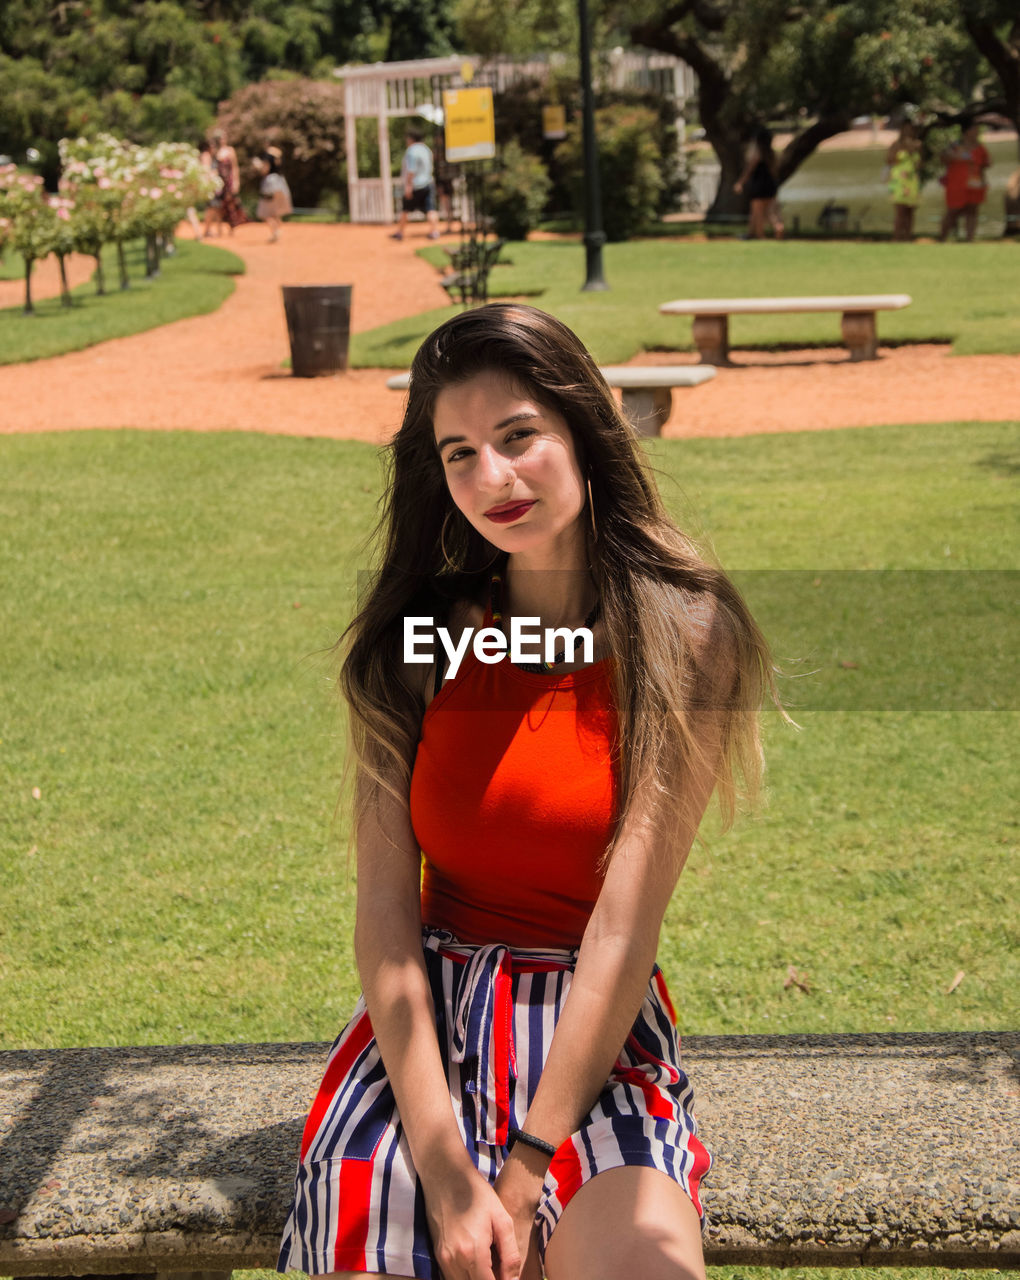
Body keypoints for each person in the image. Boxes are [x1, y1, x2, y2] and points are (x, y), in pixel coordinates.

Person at [276, 304, 780, 1280]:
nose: (491, 479)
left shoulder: (687, 631)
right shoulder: (419, 644)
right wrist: (445, 1166)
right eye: (459, 453)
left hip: (594, 1046)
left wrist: (522, 1166)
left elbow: (624, 931)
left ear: (584, 431)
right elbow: (384, 918)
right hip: (426, 1042)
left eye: (518, 437)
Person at [939, 123, 990, 242]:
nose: (977, 132)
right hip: (956, 184)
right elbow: (943, 158)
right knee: (953, 211)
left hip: (975, 184)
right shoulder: (955, 146)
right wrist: (954, 156)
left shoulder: (980, 147)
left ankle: (969, 239)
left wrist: (983, 181)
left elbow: (985, 164)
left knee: (973, 211)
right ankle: (942, 239)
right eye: (975, 129)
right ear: (967, 131)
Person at [391, 126, 440, 242]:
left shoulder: (411, 151)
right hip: (427, 183)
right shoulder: (426, 150)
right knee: (430, 209)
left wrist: (408, 187)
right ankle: (434, 231)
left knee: (406, 209)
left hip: (415, 185)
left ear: (411, 139)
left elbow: (411, 171)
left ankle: (399, 232)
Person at [734, 127, 784, 239]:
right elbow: (775, 172)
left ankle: (760, 236)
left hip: (759, 186)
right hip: (771, 185)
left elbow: (749, 170)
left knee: (758, 212)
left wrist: (740, 183)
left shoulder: (757, 154)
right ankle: (777, 227)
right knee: (770, 211)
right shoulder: (771, 154)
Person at [204, 127, 246, 237]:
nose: (223, 140)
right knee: (218, 206)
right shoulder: (215, 152)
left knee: (231, 205)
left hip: (229, 182)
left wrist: (236, 182)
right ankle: (219, 229)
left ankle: (232, 228)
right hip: (219, 183)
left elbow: (235, 167)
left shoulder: (230, 150)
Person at [885, 121, 923, 241]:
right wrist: (903, 148)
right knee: (900, 211)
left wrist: (912, 151)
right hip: (899, 181)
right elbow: (889, 160)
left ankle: (907, 237)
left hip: (912, 180)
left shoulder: (918, 145)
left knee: (910, 211)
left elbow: (920, 164)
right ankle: (897, 237)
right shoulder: (896, 145)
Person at [254, 146, 293, 243]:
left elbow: (264, 170)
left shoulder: (267, 161)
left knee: (265, 213)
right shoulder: (277, 162)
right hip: (279, 184)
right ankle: (277, 231)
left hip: (270, 184)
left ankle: (275, 231)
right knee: (275, 213)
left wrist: (258, 166)